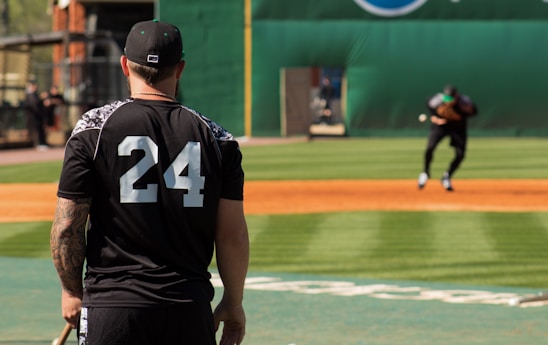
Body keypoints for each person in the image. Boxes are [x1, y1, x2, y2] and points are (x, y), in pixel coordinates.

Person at [50, 20, 249, 345]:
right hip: (188, 308)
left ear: (125, 65)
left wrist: (71, 291)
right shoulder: (218, 139)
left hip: (112, 308)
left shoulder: (93, 128)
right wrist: (234, 301)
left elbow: (67, 227)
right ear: (180, 68)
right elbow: (233, 235)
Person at [417, 85, 477, 191]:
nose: (448, 101)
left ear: (456, 96)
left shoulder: (464, 103)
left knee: (460, 154)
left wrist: (458, 117)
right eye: (447, 99)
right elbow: (429, 106)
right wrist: (434, 117)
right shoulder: (437, 100)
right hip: (440, 126)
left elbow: (474, 112)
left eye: (451, 99)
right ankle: (425, 172)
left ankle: (447, 176)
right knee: (430, 147)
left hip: (457, 128)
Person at [24, 79, 48, 149]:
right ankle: (38, 143)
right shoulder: (29, 95)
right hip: (33, 117)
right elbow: (34, 105)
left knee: (41, 130)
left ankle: (41, 143)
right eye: (33, 86)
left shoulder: (35, 94)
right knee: (35, 130)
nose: (35, 87)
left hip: (38, 117)